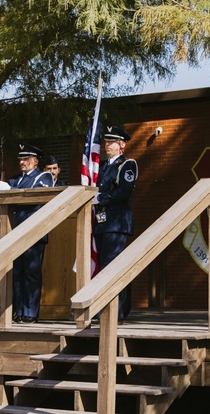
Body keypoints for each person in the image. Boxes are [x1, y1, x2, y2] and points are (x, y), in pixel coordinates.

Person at [0, 144, 52, 323]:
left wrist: (10, 192)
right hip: (15, 233)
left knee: (31, 273)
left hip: (33, 233)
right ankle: (19, 311)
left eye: (26, 159)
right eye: (20, 159)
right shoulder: (15, 180)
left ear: (35, 161)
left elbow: (35, 198)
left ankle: (30, 312)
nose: (22, 162)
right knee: (18, 273)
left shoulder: (43, 176)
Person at [94, 126, 137, 319]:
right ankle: (106, 309)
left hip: (117, 222)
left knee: (111, 267)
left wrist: (100, 198)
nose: (107, 145)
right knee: (103, 268)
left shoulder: (127, 164)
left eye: (111, 142)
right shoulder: (103, 167)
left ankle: (115, 312)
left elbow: (123, 191)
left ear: (122, 145)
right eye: (106, 142)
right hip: (102, 222)